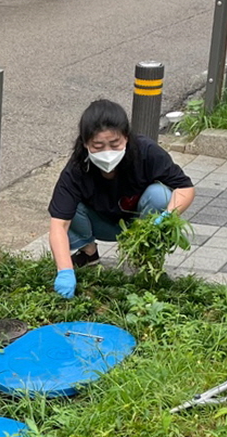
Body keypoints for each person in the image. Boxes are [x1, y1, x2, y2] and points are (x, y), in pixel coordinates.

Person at [47, 98, 196, 298]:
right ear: (85, 143)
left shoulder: (146, 152)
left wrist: (168, 215)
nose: (107, 152)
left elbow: (185, 188)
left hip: (139, 224)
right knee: (67, 207)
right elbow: (59, 225)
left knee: (161, 195)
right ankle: (88, 253)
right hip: (100, 224)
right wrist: (64, 271)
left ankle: (144, 259)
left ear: (126, 137)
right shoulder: (76, 169)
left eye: (114, 144)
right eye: (98, 146)